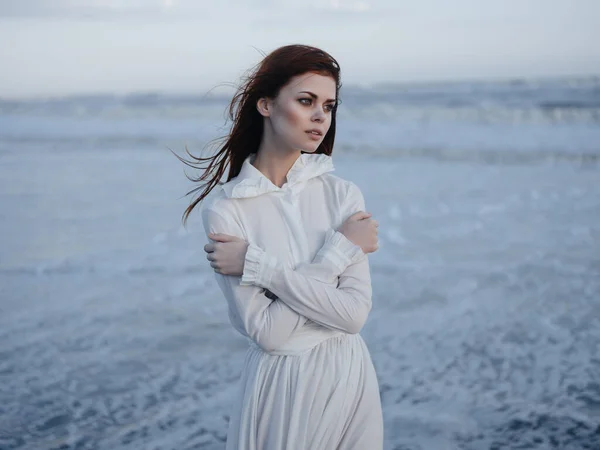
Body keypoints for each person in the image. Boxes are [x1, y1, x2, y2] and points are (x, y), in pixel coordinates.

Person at [179, 44, 383, 449]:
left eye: (329, 105)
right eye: (306, 101)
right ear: (267, 105)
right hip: (283, 383)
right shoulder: (228, 210)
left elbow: (354, 316)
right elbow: (271, 334)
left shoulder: (342, 194)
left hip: (350, 373)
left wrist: (258, 267)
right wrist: (339, 251)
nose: (320, 116)